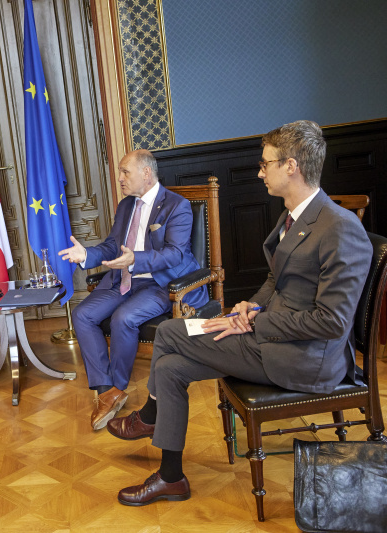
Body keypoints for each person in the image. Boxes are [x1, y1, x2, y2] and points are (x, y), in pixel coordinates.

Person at [109, 120, 372, 506]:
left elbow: (331, 322)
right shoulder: (293, 216)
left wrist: (252, 321)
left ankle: (150, 417)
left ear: (291, 166)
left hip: (305, 358)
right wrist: (251, 305)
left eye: (266, 164)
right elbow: (276, 280)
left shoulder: (340, 228)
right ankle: (171, 477)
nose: (260, 172)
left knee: (169, 332)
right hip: (272, 336)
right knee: (169, 368)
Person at [59, 149, 208, 430]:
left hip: (161, 282)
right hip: (125, 279)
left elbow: (175, 254)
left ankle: (118, 385)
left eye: (125, 172)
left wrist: (135, 260)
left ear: (146, 173)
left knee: (123, 318)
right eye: (120, 172)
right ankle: (107, 391)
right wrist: (87, 255)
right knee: (82, 315)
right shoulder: (127, 205)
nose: (120, 178)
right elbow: (112, 247)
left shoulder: (177, 205)